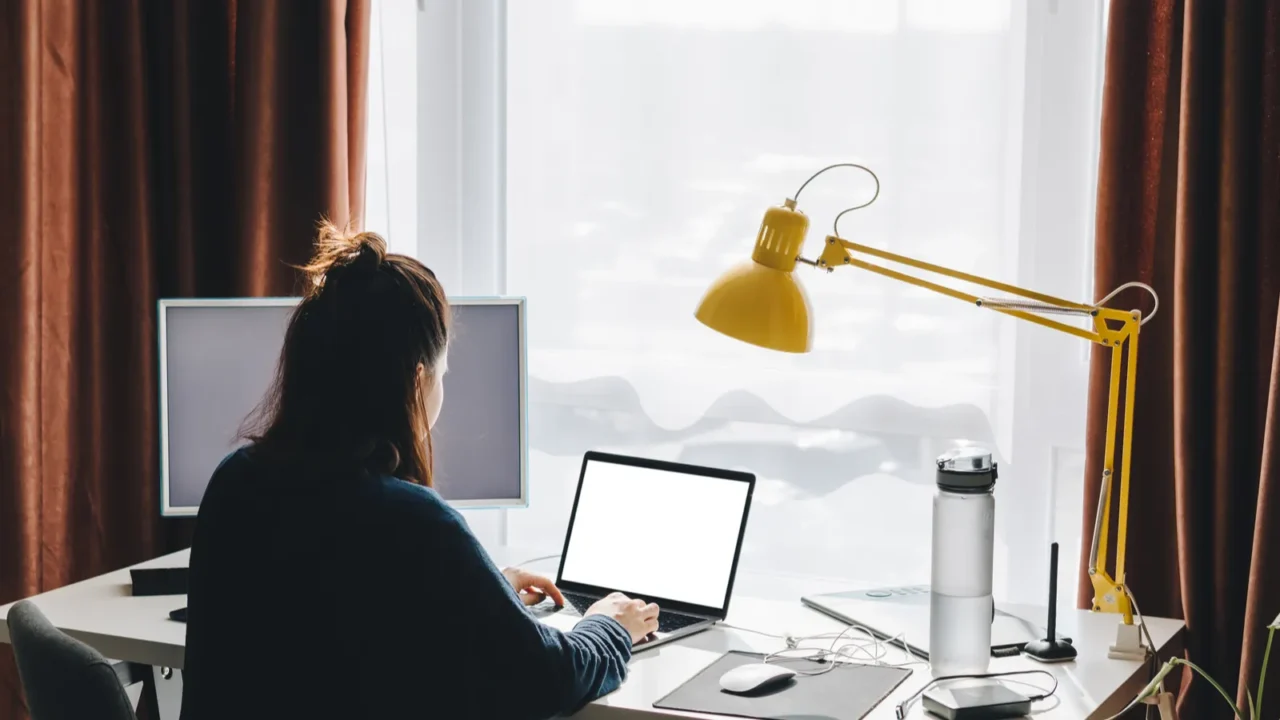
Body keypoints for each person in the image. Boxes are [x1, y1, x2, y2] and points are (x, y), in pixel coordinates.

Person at [180, 224, 660, 720]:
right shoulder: (413, 521)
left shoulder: (236, 480)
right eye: (443, 375)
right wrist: (610, 626)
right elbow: (547, 678)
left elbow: (335, 607)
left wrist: (484, 586)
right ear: (417, 381)